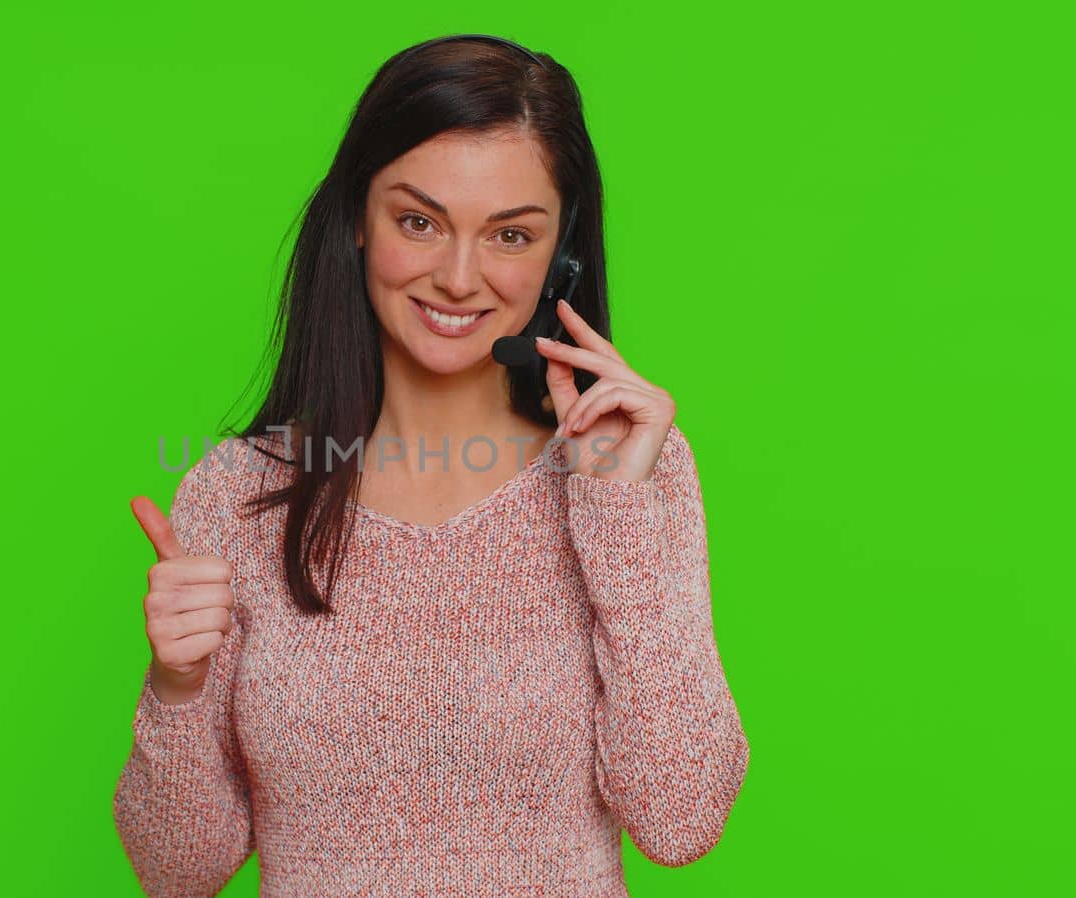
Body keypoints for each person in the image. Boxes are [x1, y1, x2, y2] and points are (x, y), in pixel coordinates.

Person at [113, 34, 750, 897]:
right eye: (419, 221)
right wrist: (178, 687)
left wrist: (620, 515)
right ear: (356, 225)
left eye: (509, 235)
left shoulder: (630, 465)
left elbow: (680, 819)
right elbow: (177, 872)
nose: (458, 276)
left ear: (561, 254)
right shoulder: (239, 493)